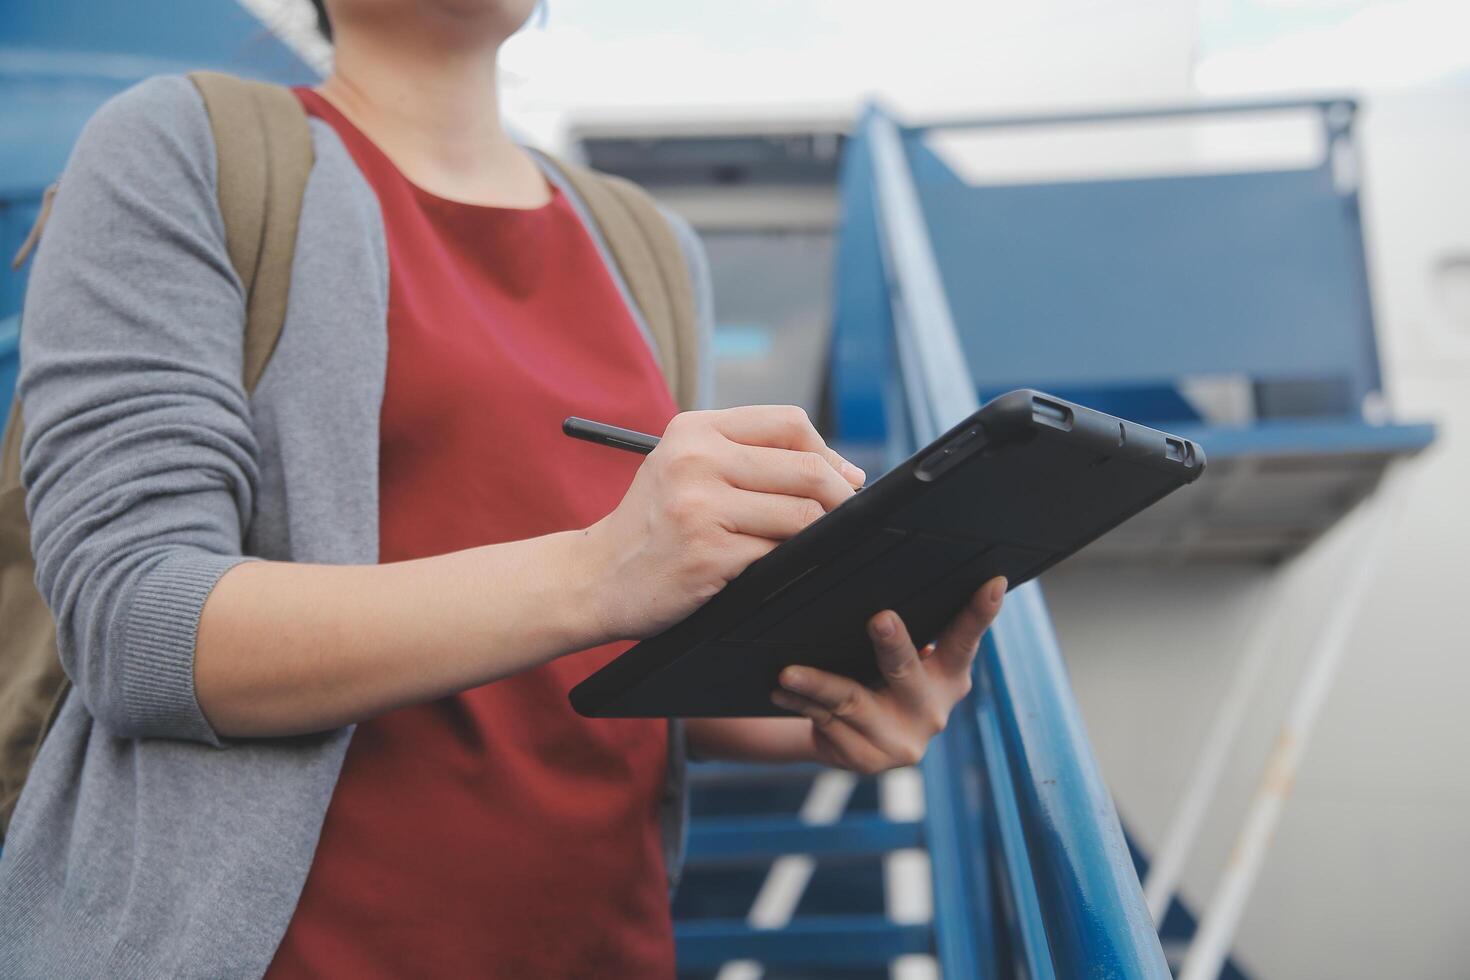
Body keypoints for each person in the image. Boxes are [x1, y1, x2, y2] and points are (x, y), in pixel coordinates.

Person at [0, 0, 1005, 976]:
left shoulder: (647, 246)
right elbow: (136, 624)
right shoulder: (181, 147)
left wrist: (822, 700)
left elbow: (613, 659)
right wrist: (597, 569)